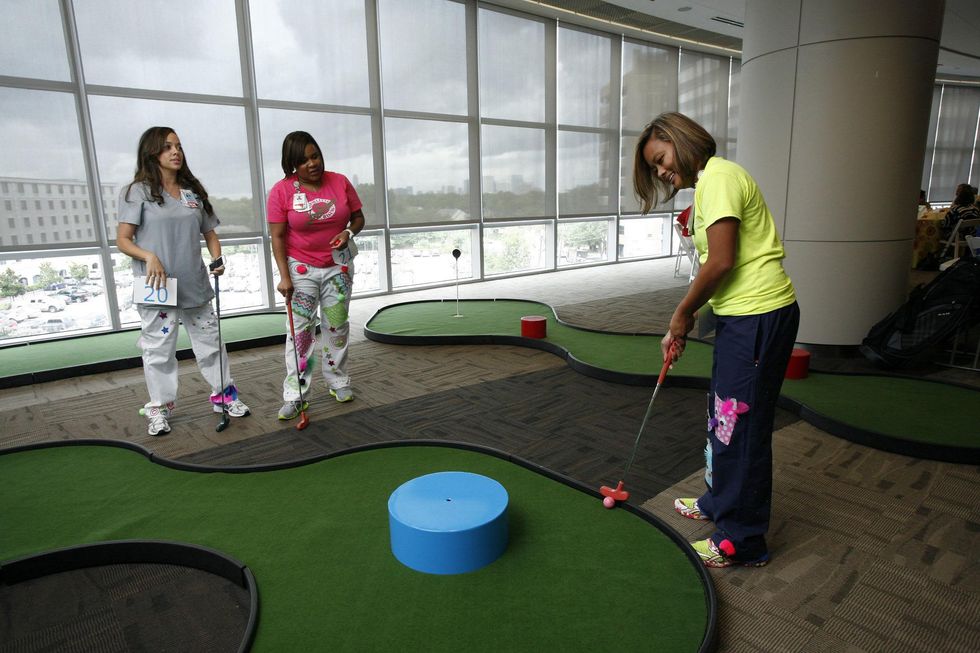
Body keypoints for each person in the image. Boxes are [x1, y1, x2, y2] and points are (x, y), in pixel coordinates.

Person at [633, 112, 800, 568]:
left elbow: (721, 262)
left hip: (760, 318)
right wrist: (689, 325)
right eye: (655, 168)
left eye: (661, 159)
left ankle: (742, 540)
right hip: (742, 316)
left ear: (680, 141)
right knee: (723, 418)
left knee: (741, 430)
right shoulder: (712, 181)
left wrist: (682, 313)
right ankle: (717, 502)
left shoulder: (718, 178)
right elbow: (729, 275)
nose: (663, 172)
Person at [117, 126, 250, 436]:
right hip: (156, 286)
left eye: (177, 146)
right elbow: (123, 240)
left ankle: (224, 397)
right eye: (166, 147)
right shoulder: (136, 191)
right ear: (152, 153)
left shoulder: (192, 191)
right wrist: (148, 256)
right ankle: (159, 407)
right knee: (159, 350)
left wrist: (217, 258)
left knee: (210, 344)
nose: (175, 152)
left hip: (194, 283)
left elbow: (210, 233)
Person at [267, 131, 365, 420]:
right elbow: (277, 236)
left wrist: (348, 232)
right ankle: (296, 393)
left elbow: (358, 217)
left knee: (336, 326)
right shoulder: (282, 191)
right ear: (292, 165)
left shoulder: (340, 181)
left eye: (315, 156)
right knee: (301, 334)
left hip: (338, 267)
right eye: (303, 160)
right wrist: (284, 276)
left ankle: (338, 380)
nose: (312, 164)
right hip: (301, 269)